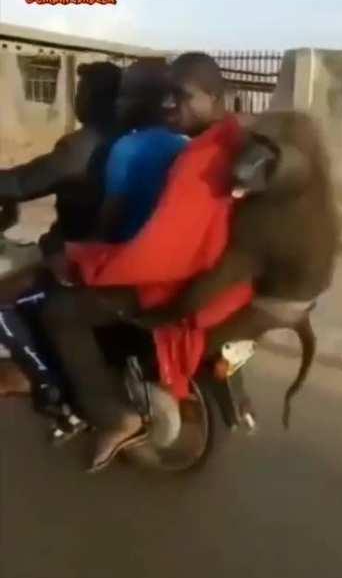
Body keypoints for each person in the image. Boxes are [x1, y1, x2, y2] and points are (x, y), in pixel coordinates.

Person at [39, 52, 239, 471]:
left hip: (150, 276)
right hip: (193, 273)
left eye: (179, 96)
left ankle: (113, 416)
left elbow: (119, 230)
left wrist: (79, 256)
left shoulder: (128, 149)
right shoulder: (201, 146)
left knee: (58, 309)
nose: (171, 105)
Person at [0, 61, 122, 438]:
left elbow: (23, 182)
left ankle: (53, 393)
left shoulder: (82, 146)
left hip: (74, 255)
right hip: (112, 251)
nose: (76, 99)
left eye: (82, 92)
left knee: (3, 303)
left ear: (91, 99)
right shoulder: (130, 138)